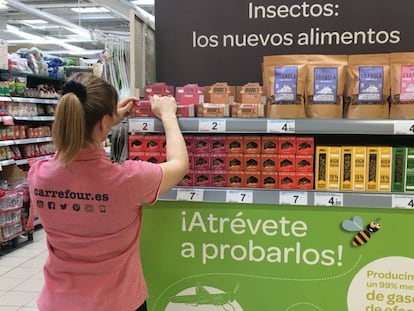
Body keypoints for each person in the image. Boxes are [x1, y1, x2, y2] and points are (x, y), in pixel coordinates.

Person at [28, 72, 189, 311]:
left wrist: (105, 122)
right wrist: (168, 116)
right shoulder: (129, 180)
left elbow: (68, 152)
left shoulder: (38, 175)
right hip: (118, 303)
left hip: (58, 302)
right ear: (104, 123)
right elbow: (179, 165)